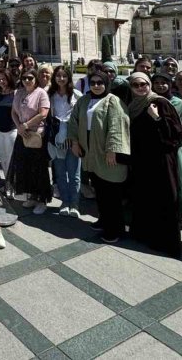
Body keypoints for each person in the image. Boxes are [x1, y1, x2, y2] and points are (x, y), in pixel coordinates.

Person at [68, 68, 130, 242]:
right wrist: (74, 141)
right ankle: (104, 220)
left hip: (106, 153)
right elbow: (74, 121)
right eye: (93, 82)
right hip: (90, 152)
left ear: (106, 84)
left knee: (111, 194)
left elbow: (117, 127)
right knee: (100, 191)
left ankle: (114, 230)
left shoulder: (113, 101)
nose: (96, 86)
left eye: (100, 83)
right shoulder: (85, 99)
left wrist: (113, 150)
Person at [127, 72, 182, 257]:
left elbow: (176, 134)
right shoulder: (132, 105)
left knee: (164, 197)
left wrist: (157, 119)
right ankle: (145, 235)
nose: (140, 88)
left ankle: (166, 241)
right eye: (136, 85)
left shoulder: (160, 103)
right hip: (142, 159)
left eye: (143, 84)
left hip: (161, 159)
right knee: (145, 197)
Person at [152, 72, 182, 226]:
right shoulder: (148, 101)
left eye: (163, 82)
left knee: (179, 182)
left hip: (174, 148)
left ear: (170, 84)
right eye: (156, 82)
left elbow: (179, 129)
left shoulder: (179, 104)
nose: (160, 86)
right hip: (155, 148)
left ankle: (181, 214)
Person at [8, 69, 51, 214]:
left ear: (35, 79)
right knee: (25, 167)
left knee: (38, 168)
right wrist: (19, 127)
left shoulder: (41, 93)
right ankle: (32, 196)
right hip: (22, 134)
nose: (27, 80)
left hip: (35, 135)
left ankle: (42, 199)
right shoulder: (19, 92)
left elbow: (43, 113)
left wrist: (26, 125)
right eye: (24, 78)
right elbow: (13, 112)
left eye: (30, 78)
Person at [47, 66, 82, 217]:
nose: (61, 79)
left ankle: (74, 203)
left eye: (64, 76)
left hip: (73, 137)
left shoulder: (77, 95)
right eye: (58, 76)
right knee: (60, 173)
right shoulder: (50, 95)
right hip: (56, 139)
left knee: (74, 173)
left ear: (69, 77)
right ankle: (65, 202)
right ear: (54, 78)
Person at [0, 69, 18, 177]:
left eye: (4, 79)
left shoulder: (15, 93)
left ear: (9, 79)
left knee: (12, 158)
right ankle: (8, 182)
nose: (2, 81)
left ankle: (14, 181)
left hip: (12, 129)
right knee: (3, 158)